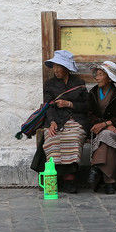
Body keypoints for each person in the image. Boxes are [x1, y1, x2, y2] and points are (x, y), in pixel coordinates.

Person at [42, 50, 88, 193]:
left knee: (73, 138)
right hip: (57, 120)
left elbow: (87, 106)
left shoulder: (79, 83)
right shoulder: (50, 84)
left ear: (66, 67)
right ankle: (56, 178)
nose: (55, 70)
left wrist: (69, 104)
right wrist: (52, 122)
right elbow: (48, 106)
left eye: (59, 66)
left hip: (76, 120)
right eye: (54, 66)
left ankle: (70, 179)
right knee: (53, 138)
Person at [87, 61, 116, 195]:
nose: (97, 78)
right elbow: (89, 114)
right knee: (106, 139)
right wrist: (104, 125)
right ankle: (109, 182)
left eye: (100, 75)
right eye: (96, 75)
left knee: (106, 135)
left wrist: (106, 125)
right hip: (99, 129)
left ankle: (96, 167)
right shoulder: (92, 93)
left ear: (109, 78)